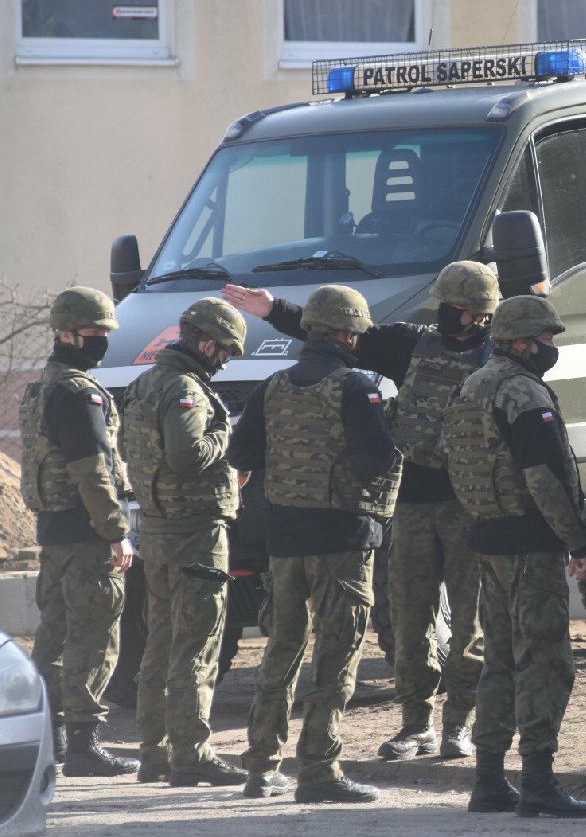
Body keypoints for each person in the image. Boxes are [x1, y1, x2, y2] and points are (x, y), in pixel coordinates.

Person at [222, 261, 496, 762]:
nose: (450, 316)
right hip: (411, 504)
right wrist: (275, 310)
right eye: (447, 306)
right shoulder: (412, 342)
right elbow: (340, 332)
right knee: (409, 621)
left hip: (467, 504)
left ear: (482, 314)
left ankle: (460, 721)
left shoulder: (495, 356)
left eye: (461, 309)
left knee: (470, 625)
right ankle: (418, 723)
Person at [228, 284, 402, 803]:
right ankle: (320, 771)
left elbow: (241, 452)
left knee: (281, 650)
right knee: (336, 654)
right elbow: (378, 460)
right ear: (349, 334)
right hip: (341, 540)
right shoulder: (354, 387)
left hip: (284, 539)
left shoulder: (273, 385)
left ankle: (261, 767)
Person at [442, 295, 586, 819]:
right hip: (531, 546)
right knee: (543, 661)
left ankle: (488, 780)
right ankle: (538, 782)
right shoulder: (525, 394)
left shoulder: (470, 387)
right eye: (548, 340)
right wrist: (577, 541)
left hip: (488, 541)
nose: (553, 348)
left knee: (500, 661)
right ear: (525, 341)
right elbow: (544, 478)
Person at [119, 297, 249, 788]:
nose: (226, 361)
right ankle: (190, 755)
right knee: (196, 646)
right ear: (208, 342)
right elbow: (188, 455)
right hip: (194, 532)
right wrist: (227, 437)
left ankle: (154, 753)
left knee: (160, 643)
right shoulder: (183, 388)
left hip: (157, 528)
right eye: (226, 352)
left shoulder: (145, 382)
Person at [20, 286, 140, 777]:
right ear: (66, 334)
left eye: (106, 333)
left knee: (54, 636)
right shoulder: (79, 392)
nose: (101, 341)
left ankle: (52, 740)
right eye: (94, 334)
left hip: (55, 532)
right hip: (88, 533)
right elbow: (92, 470)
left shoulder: (40, 386)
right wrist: (116, 531)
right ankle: (86, 745)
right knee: (94, 635)